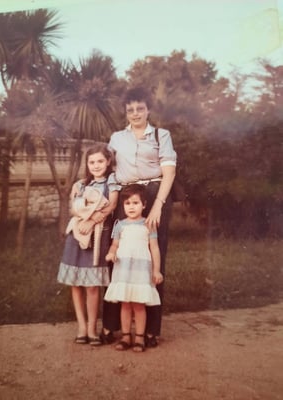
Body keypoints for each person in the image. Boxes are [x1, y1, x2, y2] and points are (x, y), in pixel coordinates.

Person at [101, 87, 177, 347]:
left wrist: (157, 205)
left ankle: (151, 331)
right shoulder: (116, 138)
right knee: (119, 255)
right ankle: (112, 327)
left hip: (154, 194)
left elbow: (168, 173)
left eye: (140, 108)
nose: (135, 113)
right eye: (130, 109)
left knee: (154, 259)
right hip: (125, 196)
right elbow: (108, 168)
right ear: (126, 111)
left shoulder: (160, 135)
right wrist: (110, 198)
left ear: (148, 110)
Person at [57, 144, 120, 346]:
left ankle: (93, 328)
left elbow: (111, 205)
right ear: (87, 164)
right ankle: (81, 327)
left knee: (92, 285)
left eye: (100, 161)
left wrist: (92, 221)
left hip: (97, 237)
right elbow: (74, 209)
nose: (96, 165)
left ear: (108, 161)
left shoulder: (112, 181)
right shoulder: (81, 185)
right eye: (92, 162)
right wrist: (81, 215)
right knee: (76, 283)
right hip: (77, 236)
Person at [104, 184, 163, 352]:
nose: (131, 207)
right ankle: (125, 336)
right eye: (128, 203)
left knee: (138, 305)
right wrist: (111, 254)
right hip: (123, 270)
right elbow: (114, 245)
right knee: (125, 304)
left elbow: (155, 248)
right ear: (123, 205)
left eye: (135, 203)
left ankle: (139, 337)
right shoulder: (120, 225)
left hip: (141, 272)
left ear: (144, 205)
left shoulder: (148, 224)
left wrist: (156, 270)